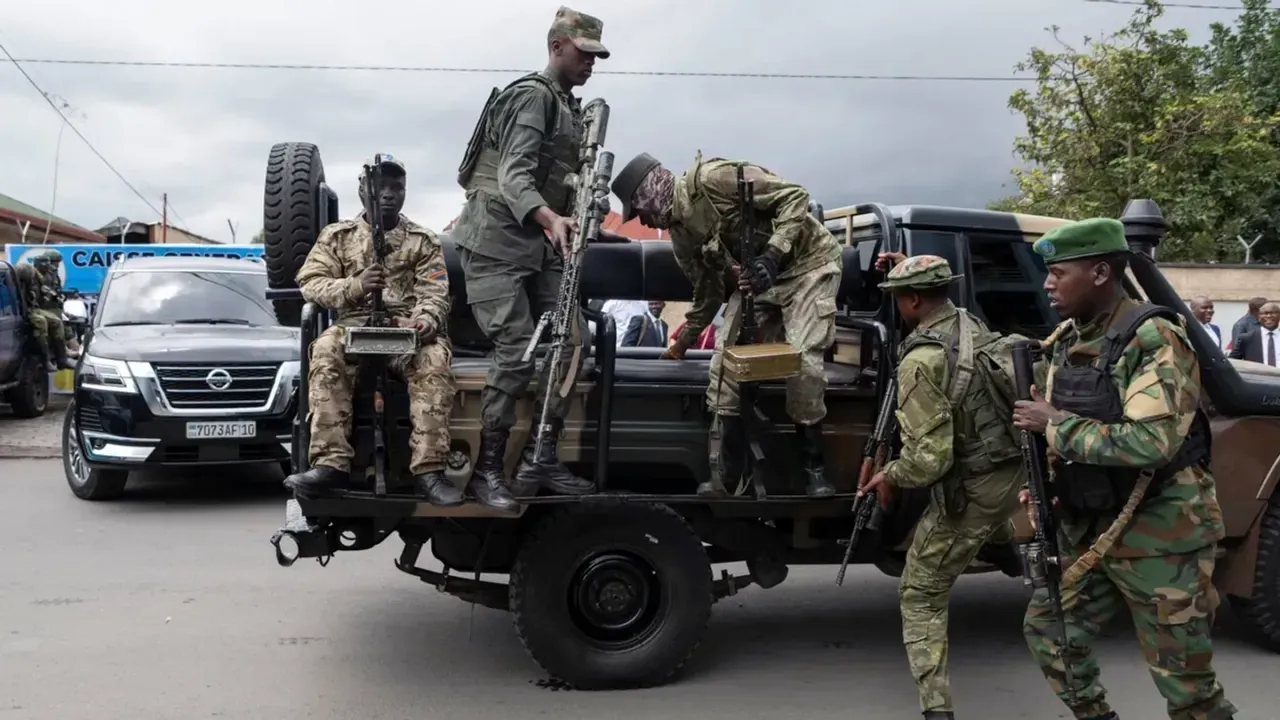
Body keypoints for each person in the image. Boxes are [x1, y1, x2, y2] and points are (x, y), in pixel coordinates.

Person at [1014, 218, 1236, 720]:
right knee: (1050, 631)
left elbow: (1152, 442)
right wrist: (1050, 484)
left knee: (1186, 685)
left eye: (1059, 272)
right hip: (1094, 525)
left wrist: (1055, 425)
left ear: (1099, 272)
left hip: (1163, 532)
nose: (1048, 283)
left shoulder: (1153, 337)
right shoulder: (1069, 338)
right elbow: (1064, 424)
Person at [450, 5, 614, 506]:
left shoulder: (567, 106)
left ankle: (540, 456)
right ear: (557, 46)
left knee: (572, 343)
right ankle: (487, 470)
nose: (591, 63)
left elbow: (556, 178)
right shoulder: (532, 97)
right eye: (584, 53)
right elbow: (513, 178)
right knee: (517, 347)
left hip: (537, 244)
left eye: (597, 56)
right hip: (497, 242)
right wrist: (551, 219)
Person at [609, 151, 843, 498]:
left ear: (650, 192)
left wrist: (774, 254)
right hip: (759, 282)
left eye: (639, 211)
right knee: (722, 367)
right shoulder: (681, 237)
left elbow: (794, 196)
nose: (642, 222)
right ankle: (727, 476)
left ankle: (814, 470)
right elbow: (707, 294)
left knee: (803, 362)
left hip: (809, 265)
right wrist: (681, 344)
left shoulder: (713, 178)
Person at [857, 253, 1026, 720]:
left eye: (897, 298)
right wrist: (906, 267)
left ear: (913, 300)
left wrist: (889, 475)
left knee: (920, 592)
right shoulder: (970, 325)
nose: (894, 306)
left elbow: (931, 460)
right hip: (1011, 474)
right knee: (981, 522)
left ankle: (937, 708)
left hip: (974, 489)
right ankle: (1005, 547)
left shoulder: (921, 361)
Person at [283, 155, 469, 509]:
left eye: (396, 188)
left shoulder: (422, 240)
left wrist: (424, 320)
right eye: (380, 187)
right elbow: (310, 283)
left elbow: (435, 292)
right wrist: (355, 286)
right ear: (361, 191)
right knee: (324, 350)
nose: (388, 195)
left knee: (433, 359)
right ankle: (330, 463)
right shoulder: (338, 237)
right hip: (354, 323)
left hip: (404, 326)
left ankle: (429, 470)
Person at [15, 261, 74, 371]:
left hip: (32, 309)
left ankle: (62, 359)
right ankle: (45, 359)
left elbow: (35, 299)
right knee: (40, 322)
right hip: (21, 312)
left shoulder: (31, 283)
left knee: (56, 321)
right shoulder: (13, 285)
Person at [1228, 301, 1280, 366]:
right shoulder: (1247, 338)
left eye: (1273, 313)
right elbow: (1232, 362)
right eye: (1265, 313)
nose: (1268, 316)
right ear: (1258, 317)